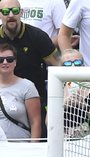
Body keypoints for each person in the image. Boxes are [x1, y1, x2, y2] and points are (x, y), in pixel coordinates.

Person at [0, 0, 58, 130]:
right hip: (3, 99)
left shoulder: (38, 36)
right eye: (5, 11)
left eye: (14, 11)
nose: (10, 15)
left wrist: (54, 103)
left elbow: (58, 68)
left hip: (35, 99)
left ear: (21, 12)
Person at [0, 41, 41, 141]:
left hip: (21, 149)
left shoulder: (27, 86)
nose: (5, 62)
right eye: (0, 60)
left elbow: (35, 122)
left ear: (15, 62)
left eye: (9, 59)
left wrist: (34, 149)